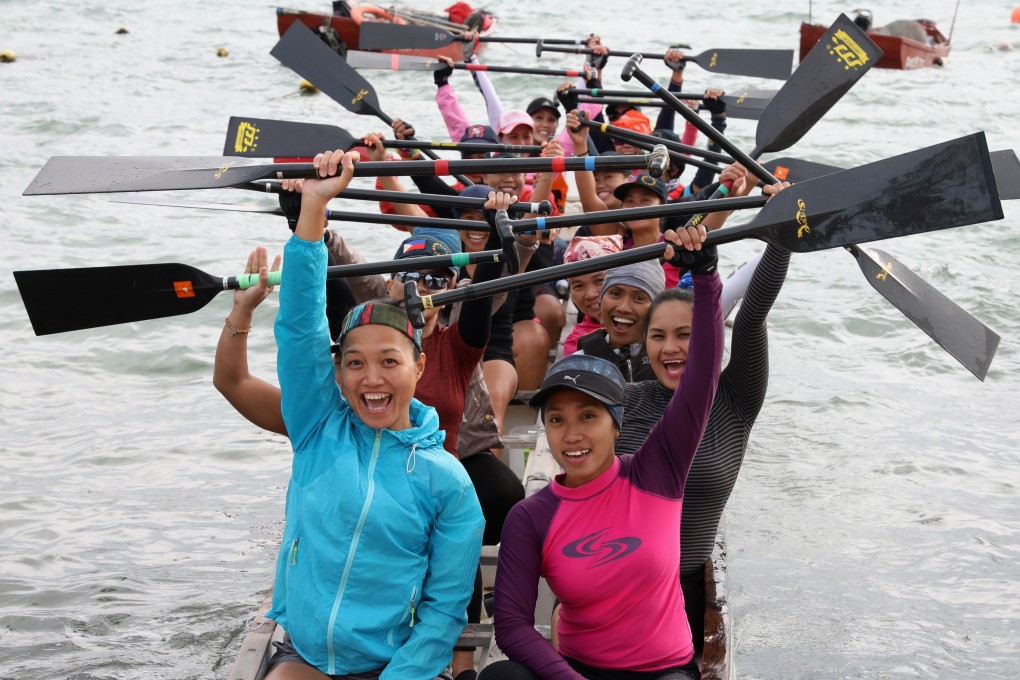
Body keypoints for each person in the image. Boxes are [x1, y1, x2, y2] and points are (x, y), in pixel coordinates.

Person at [264, 148, 485, 680]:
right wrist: (313, 209)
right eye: (355, 364)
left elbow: (442, 612)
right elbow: (300, 327)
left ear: (418, 366)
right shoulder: (318, 427)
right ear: (337, 372)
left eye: (390, 362)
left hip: (398, 665)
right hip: (308, 655)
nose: (371, 379)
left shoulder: (449, 483)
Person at [479, 221, 725, 680]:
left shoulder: (657, 471)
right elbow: (511, 626)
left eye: (588, 417)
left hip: (663, 671)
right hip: (576, 670)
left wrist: (707, 277)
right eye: (557, 420)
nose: (572, 435)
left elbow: (701, 379)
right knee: (500, 677)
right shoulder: (530, 518)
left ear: (617, 425)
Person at [561, 235, 624, 356]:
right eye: (578, 286)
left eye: (599, 280)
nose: (590, 294)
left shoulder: (647, 324)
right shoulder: (576, 343)